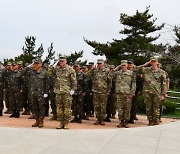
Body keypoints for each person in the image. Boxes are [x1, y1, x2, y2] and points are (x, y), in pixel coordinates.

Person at [134, 57, 166, 126]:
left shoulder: (161, 72)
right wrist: (145, 64)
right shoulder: (146, 70)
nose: (153, 63)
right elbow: (135, 69)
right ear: (150, 62)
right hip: (148, 92)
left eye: (155, 62)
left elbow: (163, 84)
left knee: (156, 108)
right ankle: (150, 121)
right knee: (148, 108)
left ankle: (156, 121)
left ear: (157, 63)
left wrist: (163, 94)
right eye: (152, 62)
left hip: (157, 93)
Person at [54, 56, 77, 129]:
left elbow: (74, 81)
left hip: (66, 92)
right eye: (60, 61)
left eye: (62, 61)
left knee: (67, 109)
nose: (61, 63)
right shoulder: (57, 69)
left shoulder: (70, 70)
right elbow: (49, 73)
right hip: (58, 91)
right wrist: (53, 65)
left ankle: (66, 123)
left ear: (66, 61)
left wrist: (73, 89)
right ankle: (61, 123)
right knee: (59, 109)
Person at [88, 59, 112, 125]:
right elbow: (88, 75)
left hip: (103, 91)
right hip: (95, 90)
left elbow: (109, 81)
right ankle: (98, 118)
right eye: (98, 63)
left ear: (103, 64)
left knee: (103, 106)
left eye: (100, 63)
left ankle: (102, 119)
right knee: (96, 106)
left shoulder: (107, 71)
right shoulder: (95, 71)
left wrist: (108, 90)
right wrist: (92, 69)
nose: (99, 65)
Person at [113, 60, 136, 128]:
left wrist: (132, 93)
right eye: (122, 65)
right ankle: (121, 121)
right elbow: (110, 74)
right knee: (120, 108)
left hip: (127, 93)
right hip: (119, 93)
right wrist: (117, 68)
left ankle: (126, 122)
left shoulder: (131, 73)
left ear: (127, 66)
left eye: (124, 65)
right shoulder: (117, 73)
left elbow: (134, 84)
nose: (123, 67)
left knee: (127, 108)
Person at [31, 58, 49, 128]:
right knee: (35, 107)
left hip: (41, 93)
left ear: (41, 64)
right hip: (33, 92)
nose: (35, 64)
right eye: (35, 63)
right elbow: (24, 72)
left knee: (41, 107)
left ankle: (41, 121)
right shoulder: (32, 72)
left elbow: (47, 83)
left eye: (37, 63)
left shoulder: (45, 72)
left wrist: (46, 92)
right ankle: (37, 120)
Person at [127, 59, 143, 124]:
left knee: (133, 105)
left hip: (134, 91)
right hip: (126, 91)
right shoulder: (123, 71)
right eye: (128, 63)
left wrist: (140, 90)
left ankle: (131, 117)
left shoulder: (135, 73)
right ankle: (126, 117)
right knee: (126, 105)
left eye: (130, 63)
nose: (129, 65)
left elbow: (140, 81)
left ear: (133, 64)